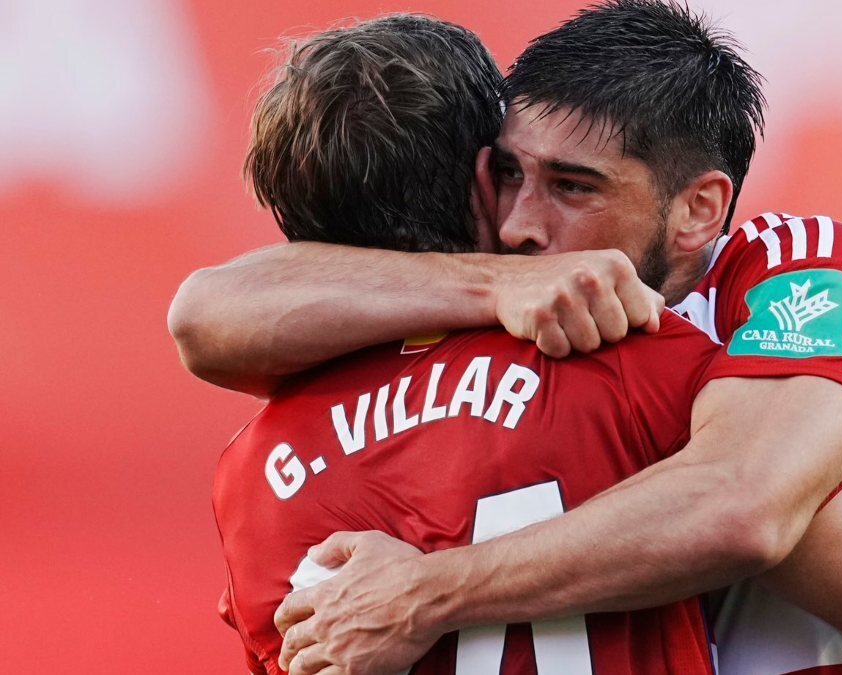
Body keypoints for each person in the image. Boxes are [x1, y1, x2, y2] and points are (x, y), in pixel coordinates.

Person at [169, 2, 842, 674]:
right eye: (509, 176)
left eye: (572, 188)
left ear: (701, 207)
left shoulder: (246, 474)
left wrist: (428, 588)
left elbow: (205, 313)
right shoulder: (654, 379)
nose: (522, 227)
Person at [212, 14, 722, 674]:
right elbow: (775, 511)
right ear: (488, 177)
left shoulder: (248, 478)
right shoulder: (634, 356)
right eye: (515, 170)